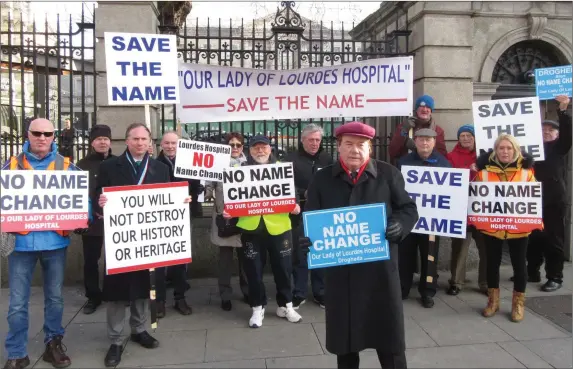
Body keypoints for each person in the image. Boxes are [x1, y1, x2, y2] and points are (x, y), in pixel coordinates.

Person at [301, 121, 419, 369]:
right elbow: (311, 218)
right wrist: (308, 239)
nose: (355, 150)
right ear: (339, 147)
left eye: (361, 145)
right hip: (341, 277)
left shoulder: (389, 174)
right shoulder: (322, 179)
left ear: (370, 149)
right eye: (349, 144)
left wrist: (400, 225)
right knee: (346, 342)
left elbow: (408, 208)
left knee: (390, 340)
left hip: (381, 273)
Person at [2, 118, 90, 369]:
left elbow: (82, 199)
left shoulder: (67, 166)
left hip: (54, 243)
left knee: (55, 298)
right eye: (37, 133)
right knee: (17, 303)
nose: (42, 137)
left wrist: (85, 215)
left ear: (54, 136)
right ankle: (16, 352)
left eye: (47, 133)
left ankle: (53, 344)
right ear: (27, 135)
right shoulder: (10, 166)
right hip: (21, 244)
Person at [96, 123, 171, 367]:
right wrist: (101, 201)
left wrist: (181, 200)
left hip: (148, 239)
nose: (140, 143)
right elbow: (97, 196)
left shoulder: (160, 168)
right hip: (121, 240)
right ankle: (116, 339)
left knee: (143, 285)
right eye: (135, 138)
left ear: (150, 142)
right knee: (117, 290)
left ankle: (139, 329)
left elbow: (167, 200)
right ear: (126, 141)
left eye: (144, 139)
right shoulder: (109, 166)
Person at [224, 135, 302, 328]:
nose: (260, 151)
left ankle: (286, 305)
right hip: (251, 229)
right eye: (256, 148)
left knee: (284, 269)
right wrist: (229, 212)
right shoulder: (238, 171)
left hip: (280, 227)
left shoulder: (282, 169)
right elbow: (232, 199)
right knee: (253, 272)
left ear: (270, 149)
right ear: (249, 151)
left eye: (264, 147)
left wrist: (296, 206)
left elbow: (294, 194)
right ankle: (257, 308)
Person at [474, 134, 536, 323]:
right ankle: (493, 301)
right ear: (495, 150)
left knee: (519, 265)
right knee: (492, 264)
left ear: (515, 150)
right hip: (492, 227)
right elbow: (476, 198)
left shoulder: (526, 173)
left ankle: (518, 303)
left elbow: (532, 198)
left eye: (509, 148)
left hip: (519, 228)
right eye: (501, 148)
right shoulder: (483, 173)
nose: (505, 151)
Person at [396, 128, 451, 308]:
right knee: (405, 255)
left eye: (428, 140)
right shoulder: (403, 163)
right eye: (421, 140)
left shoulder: (444, 164)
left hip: (432, 221)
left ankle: (428, 291)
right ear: (415, 142)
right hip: (408, 220)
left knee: (430, 257)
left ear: (434, 142)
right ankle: (402, 288)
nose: (424, 143)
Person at [526, 95, 571, 292]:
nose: (546, 132)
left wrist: (563, 111)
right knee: (533, 238)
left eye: (550, 130)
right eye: (543, 129)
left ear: (557, 133)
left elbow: (569, 134)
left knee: (554, 240)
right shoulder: (532, 149)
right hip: (532, 199)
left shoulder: (559, 147)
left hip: (553, 200)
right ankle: (532, 271)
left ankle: (555, 276)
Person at [286, 124, 333, 309]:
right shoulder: (292, 160)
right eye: (311, 140)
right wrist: (304, 192)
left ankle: (320, 292)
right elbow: (286, 186)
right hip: (300, 213)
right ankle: (299, 292)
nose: (315, 143)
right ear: (302, 140)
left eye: (318, 140)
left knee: (320, 252)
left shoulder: (327, 159)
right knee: (300, 253)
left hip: (321, 212)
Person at [205, 132, 250, 311]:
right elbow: (209, 186)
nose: (235, 148)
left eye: (238, 145)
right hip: (224, 218)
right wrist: (207, 192)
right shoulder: (218, 165)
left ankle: (247, 291)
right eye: (231, 145)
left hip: (245, 219)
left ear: (243, 147)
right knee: (224, 260)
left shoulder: (250, 164)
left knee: (246, 259)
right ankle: (225, 295)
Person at [154, 131, 195, 317]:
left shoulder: (189, 164)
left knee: (180, 260)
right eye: (167, 143)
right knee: (159, 263)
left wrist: (192, 197)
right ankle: (160, 301)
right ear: (161, 144)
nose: (170, 146)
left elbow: (196, 188)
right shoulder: (154, 165)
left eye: (174, 143)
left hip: (183, 216)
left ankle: (180, 298)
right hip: (160, 219)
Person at [76, 125, 115, 315]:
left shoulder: (119, 162)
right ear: (92, 142)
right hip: (91, 221)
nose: (102, 142)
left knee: (116, 258)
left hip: (116, 219)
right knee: (91, 260)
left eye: (105, 139)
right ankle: (93, 296)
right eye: (98, 139)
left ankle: (113, 292)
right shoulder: (81, 165)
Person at [445, 124, 487, 296]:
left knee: (485, 247)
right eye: (462, 135)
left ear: (475, 138)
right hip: (460, 207)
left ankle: (485, 282)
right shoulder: (450, 156)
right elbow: (447, 177)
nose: (465, 138)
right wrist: (466, 170)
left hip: (481, 208)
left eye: (469, 135)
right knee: (459, 247)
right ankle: (456, 281)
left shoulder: (484, 156)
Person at [388, 94, 447, 163]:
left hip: (429, 168)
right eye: (421, 107)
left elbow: (442, 156)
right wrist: (403, 133)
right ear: (416, 110)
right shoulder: (404, 127)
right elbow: (392, 152)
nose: (424, 109)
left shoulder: (438, 130)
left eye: (428, 107)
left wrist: (418, 148)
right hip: (407, 167)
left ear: (431, 111)